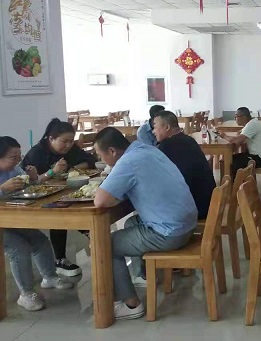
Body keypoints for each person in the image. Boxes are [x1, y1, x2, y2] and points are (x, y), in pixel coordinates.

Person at [93, 128, 197, 320]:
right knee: (131, 222)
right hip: (187, 223)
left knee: (105, 244)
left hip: (170, 232)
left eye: (101, 155)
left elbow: (100, 200)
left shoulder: (128, 161)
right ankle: (142, 275)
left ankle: (131, 304)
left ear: (112, 151)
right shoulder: (147, 149)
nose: (102, 160)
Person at [0, 137, 73, 311]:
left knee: (39, 240)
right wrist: (2, 188)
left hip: (11, 218)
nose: (17, 161)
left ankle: (50, 277)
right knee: (18, 248)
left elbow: (30, 187)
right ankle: (26, 294)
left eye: (19, 157)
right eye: (13, 157)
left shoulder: (14, 170)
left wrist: (33, 179)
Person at [22, 118, 96, 277]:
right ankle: (60, 258)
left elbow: (90, 160)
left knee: (75, 202)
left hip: (60, 192)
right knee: (61, 209)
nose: (68, 145)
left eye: (71, 141)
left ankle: (90, 233)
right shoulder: (36, 154)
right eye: (64, 141)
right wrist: (52, 172)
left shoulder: (70, 149)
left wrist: (72, 169)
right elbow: (29, 182)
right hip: (38, 198)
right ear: (51, 139)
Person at [153, 111, 216, 219]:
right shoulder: (189, 140)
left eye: (155, 127)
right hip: (209, 203)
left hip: (194, 209)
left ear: (167, 127)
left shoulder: (167, 146)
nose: (153, 131)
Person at [220, 107, 261, 178]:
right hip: (258, 156)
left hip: (260, 159)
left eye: (236, 116)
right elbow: (240, 137)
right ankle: (232, 182)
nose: (235, 118)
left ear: (244, 117)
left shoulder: (252, 125)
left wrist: (224, 136)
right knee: (228, 158)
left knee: (232, 162)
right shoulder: (252, 123)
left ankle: (234, 184)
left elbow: (236, 141)